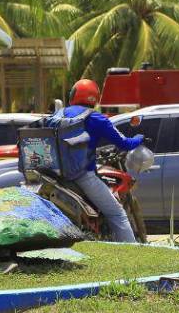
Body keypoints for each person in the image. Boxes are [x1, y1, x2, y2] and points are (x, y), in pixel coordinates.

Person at [57, 79, 144, 243]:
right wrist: (139, 138)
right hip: (81, 175)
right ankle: (132, 254)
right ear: (94, 98)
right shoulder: (96, 118)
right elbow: (124, 143)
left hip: (53, 172)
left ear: (73, 95)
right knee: (117, 213)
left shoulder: (59, 114)